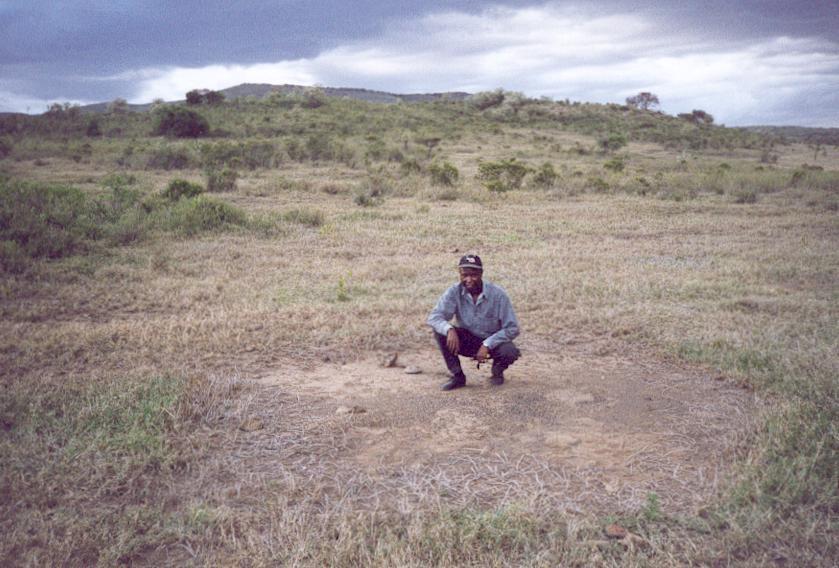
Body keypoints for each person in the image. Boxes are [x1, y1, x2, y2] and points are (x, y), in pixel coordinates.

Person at [427, 254, 521, 391]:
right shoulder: (454, 291)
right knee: (440, 332)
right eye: (464, 275)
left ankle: (497, 371)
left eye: (473, 275)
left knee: (509, 351)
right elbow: (435, 317)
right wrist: (449, 329)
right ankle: (457, 376)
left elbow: (512, 328)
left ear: (481, 273)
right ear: (459, 274)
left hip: (493, 342)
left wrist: (487, 344)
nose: (468, 280)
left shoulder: (498, 295)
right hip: (468, 340)